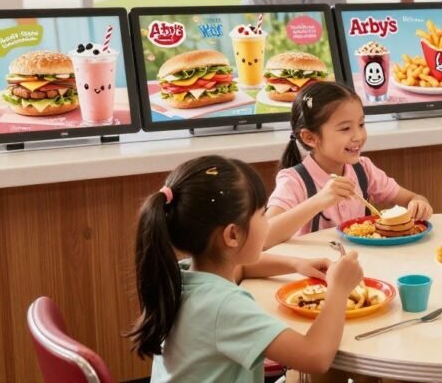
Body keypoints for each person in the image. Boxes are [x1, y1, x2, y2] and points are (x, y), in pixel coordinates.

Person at [127, 155, 364, 383]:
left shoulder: (184, 274)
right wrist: (339, 289)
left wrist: (295, 264)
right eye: (262, 214)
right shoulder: (225, 306)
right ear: (232, 235)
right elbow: (315, 357)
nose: (267, 223)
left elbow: (240, 269)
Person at [265, 81, 433, 247]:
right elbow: (263, 237)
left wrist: (419, 204)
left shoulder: (364, 169)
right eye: (345, 129)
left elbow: (412, 198)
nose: (358, 136)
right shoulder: (294, 181)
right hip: (320, 270)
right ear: (310, 137)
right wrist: (320, 200)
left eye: (361, 124)